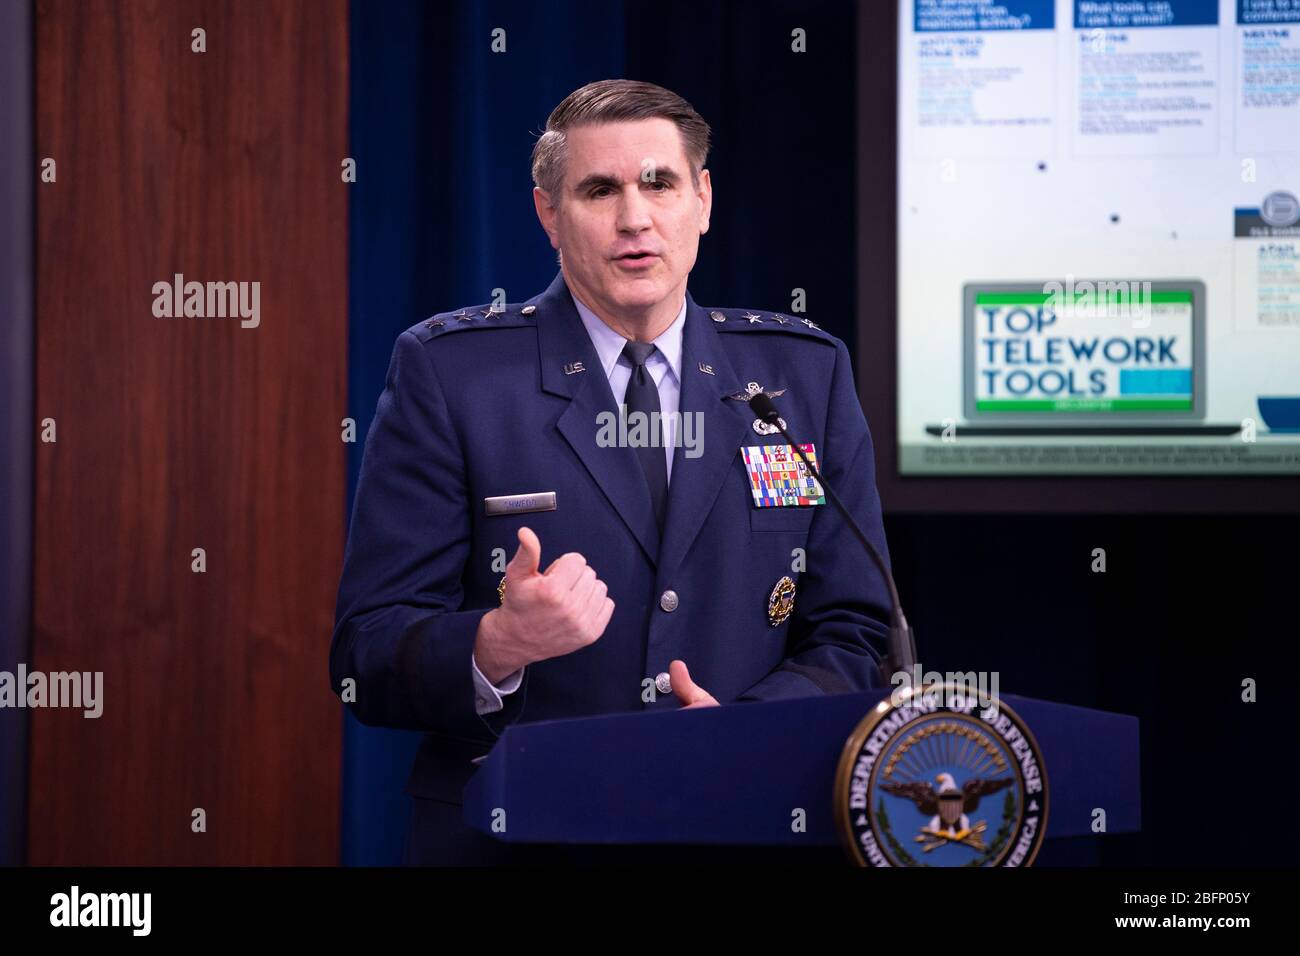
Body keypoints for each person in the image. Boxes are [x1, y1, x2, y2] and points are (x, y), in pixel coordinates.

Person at [331, 79, 894, 865]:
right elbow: (366, 654)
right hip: (518, 836)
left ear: (702, 199)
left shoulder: (804, 375)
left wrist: (753, 725)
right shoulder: (452, 374)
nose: (635, 218)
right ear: (548, 214)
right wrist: (495, 643)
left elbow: (860, 633)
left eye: (658, 183)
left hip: (744, 826)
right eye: (599, 190)